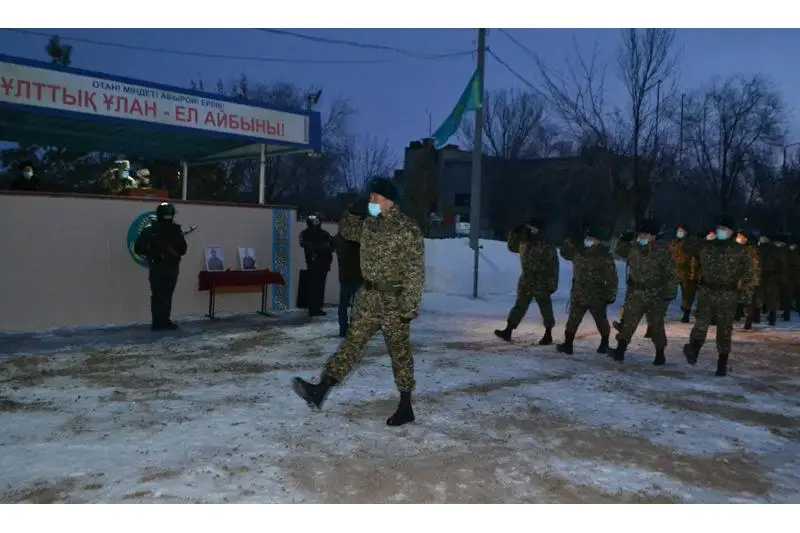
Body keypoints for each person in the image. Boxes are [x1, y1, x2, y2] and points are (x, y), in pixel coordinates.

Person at [292, 177, 424, 427]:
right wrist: (352, 211)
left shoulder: (408, 229)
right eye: (371, 197)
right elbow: (347, 230)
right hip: (368, 296)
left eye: (376, 197)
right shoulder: (369, 224)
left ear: (389, 202)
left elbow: (415, 270)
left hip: (394, 299)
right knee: (352, 343)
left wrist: (409, 306)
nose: (371, 201)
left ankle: (406, 405)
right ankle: (321, 389)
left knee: (400, 353)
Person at [683, 216, 756, 376]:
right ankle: (694, 349)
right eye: (719, 228)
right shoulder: (706, 246)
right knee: (701, 322)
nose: (721, 231)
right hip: (707, 291)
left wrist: (745, 298)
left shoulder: (740, 251)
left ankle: (722, 362)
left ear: (731, 232)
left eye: (725, 229)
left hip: (727, 294)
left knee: (724, 328)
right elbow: (687, 248)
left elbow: (750, 275)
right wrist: (700, 235)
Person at [607, 220, 677, 365]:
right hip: (636, 292)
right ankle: (620, 351)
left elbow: (671, 274)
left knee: (656, 325)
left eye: (646, 234)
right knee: (628, 323)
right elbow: (620, 251)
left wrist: (669, 295)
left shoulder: (662, 252)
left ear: (653, 236)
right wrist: (623, 238)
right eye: (641, 234)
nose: (642, 237)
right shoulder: (634, 248)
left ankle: (660, 354)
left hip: (655, 293)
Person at [494, 217, 559, 345]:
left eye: (533, 227)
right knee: (519, 306)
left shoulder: (546, 243)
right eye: (529, 227)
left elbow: (554, 265)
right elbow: (512, 247)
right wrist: (514, 233)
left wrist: (552, 283)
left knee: (546, 309)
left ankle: (548, 334)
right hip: (527, 279)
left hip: (542, 280)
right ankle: (508, 330)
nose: (530, 229)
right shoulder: (525, 239)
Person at [556, 226, 618, 355]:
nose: (587, 240)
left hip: (597, 294)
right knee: (573, 319)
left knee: (601, 320)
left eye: (591, 238)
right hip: (579, 292)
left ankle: (604, 342)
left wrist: (610, 295)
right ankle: (568, 344)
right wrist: (570, 239)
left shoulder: (605, 256)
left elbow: (612, 278)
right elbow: (565, 253)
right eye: (587, 238)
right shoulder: (579, 252)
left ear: (598, 241)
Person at [134, 202, 188, 331]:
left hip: (170, 266)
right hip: (158, 265)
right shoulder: (150, 229)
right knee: (159, 294)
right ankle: (158, 322)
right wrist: (154, 250)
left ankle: (165, 320)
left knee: (167, 294)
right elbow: (139, 248)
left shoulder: (175, 229)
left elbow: (183, 249)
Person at [334, 217, 364, 338]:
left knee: (343, 304)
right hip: (357, 275)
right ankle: (354, 329)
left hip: (344, 275)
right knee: (356, 306)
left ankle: (343, 329)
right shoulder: (357, 239)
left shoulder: (338, 238)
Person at [299, 213, 334, 317]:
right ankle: (315, 308)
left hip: (316, 263)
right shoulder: (321, 234)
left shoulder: (307, 234)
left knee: (316, 287)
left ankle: (315, 308)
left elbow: (328, 247)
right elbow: (326, 247)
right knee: (317, 287)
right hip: (318, 264)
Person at [668, 223, 700, 323]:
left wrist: (692, 274)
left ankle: (686, 312)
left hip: (686, 273)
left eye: (682, 231)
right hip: (674, 272)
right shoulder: (673, 242)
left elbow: (693, 260)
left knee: (687, 295)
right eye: (679, 230)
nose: (680, 232)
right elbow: (669, 256)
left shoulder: (691, 243)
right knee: (667, 292)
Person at [734, 230, 761, 330]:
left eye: (741, 236)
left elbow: (751, 267)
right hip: (748, 279)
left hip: (748, 280)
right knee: (747, 300)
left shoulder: (749, 251)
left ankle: (748, 321)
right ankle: (748, 319)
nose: (738, 238)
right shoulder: (747, 250)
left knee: (747, 300)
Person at [758, 234, 780, 326]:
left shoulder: (759, 249)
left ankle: (756, 317)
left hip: (761, 275)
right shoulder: (775, 249)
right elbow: (780, 263)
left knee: (759, 297)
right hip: (772, 275)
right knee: (772, 298)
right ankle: (772, 318)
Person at [773, 233, 793, 322]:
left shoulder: (779, 250)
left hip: (780, 276)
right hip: (787, 276)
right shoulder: (789, 250)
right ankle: (786, 315)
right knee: (786, 297)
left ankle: (776, 315)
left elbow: (777, 263)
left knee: (776, 296)